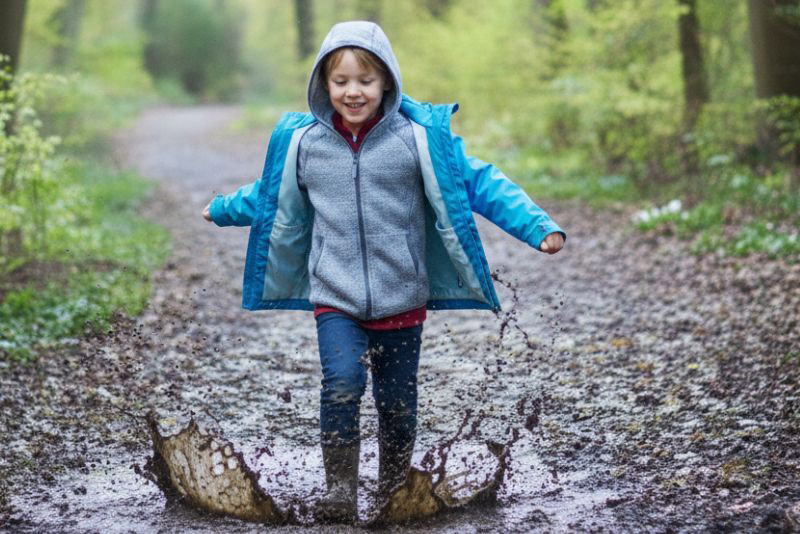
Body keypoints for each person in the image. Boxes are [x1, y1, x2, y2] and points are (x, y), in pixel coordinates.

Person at [202, 20, 565, 523]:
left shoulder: (416, 138)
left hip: (402, 297)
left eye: (366, 80)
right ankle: (340, 492)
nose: (353, 92)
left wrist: (536, 225)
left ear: (388, 82)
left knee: (396, 403)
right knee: (342, 384)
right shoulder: (306, 143)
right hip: (335, 296)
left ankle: (393, 487)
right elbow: (269, 196)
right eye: (341, 81)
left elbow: (479, 181)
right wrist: (223, 208)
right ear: (323, 85)